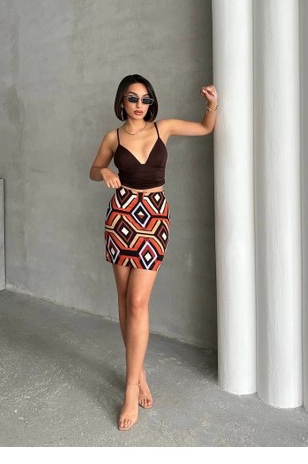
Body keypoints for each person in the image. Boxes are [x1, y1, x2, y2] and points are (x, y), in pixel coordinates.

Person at [89, 73, 218, 431]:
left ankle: (130, 388)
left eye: (145, 99)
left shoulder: (165, 128)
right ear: (122, 101)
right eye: (132, 98)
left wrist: (212, 104)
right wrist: (105, 172)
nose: (139, 105)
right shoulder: (113, 138)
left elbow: (205, 128)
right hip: (121, 218)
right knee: (123, 299)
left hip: (154, 217)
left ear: (151, 103)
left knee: (137, 302)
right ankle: (139, 374)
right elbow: (93, 170)